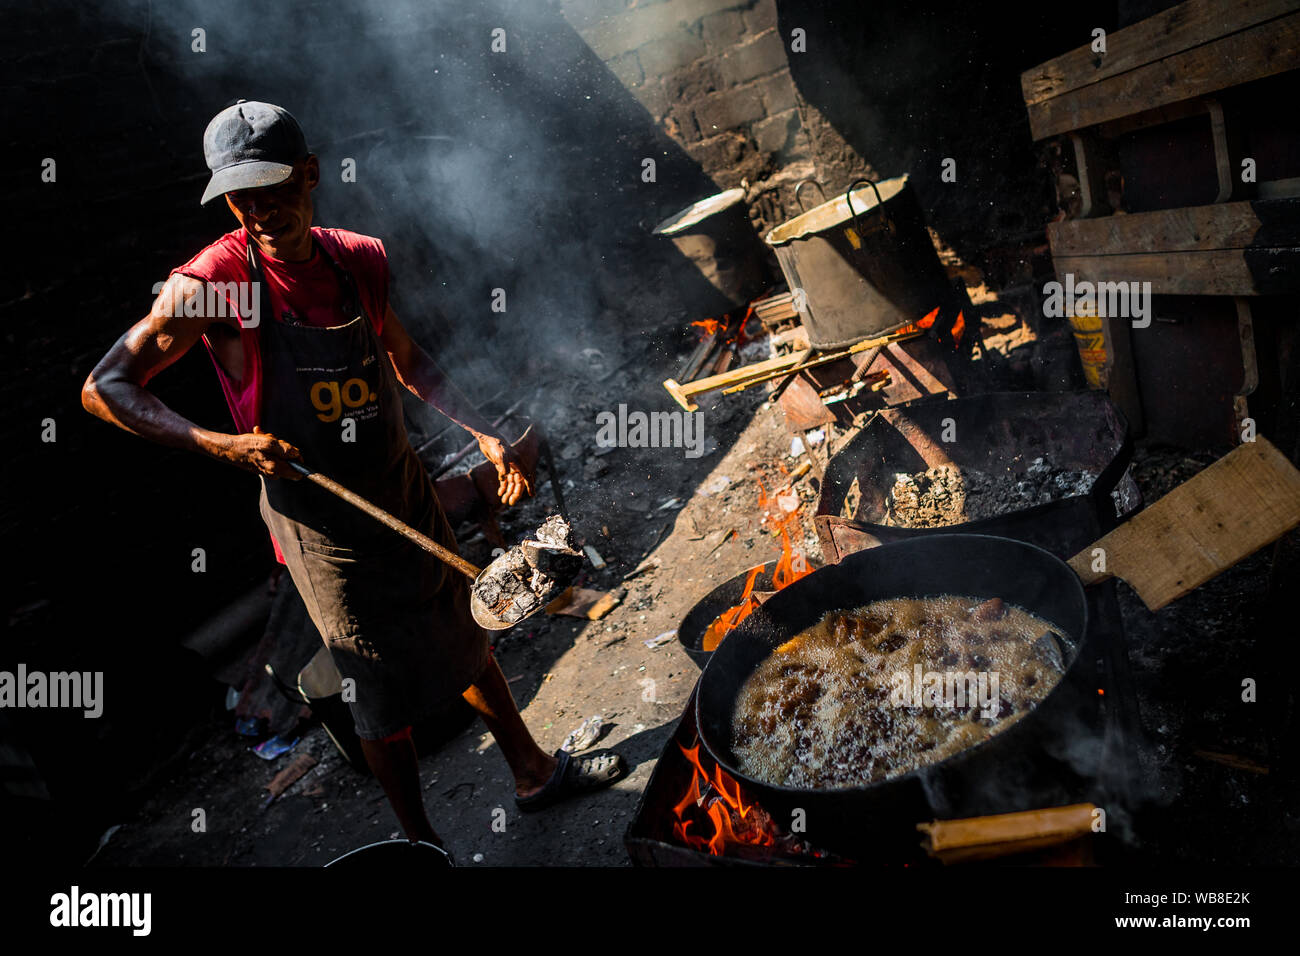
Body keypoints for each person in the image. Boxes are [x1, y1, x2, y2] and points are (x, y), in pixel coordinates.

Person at [81, 100, 625, 855]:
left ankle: (533, 772)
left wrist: (485, 431)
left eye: (275, 187)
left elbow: (408, 360)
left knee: (466, 630)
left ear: (310, 174)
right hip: (318, 523)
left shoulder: (356, 258)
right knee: (377, 693)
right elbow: (105, 387)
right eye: (242, 197)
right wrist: (218, 444)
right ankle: (420, 848)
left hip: (398, 486)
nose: (262, 210)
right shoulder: (214, 281)